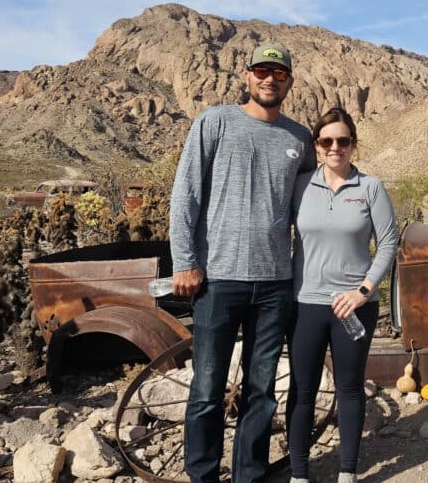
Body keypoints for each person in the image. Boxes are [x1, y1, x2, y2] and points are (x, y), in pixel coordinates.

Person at [170, 43, 316, 483]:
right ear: (246, 77)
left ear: (289, 82)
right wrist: (185, 262)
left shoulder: (300, 138)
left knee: (262, 390)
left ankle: (249, 476)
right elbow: (185, 195)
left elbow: (313, 203)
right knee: (207, 390)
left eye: (279, 73)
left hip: (275, 283)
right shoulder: (215, 122)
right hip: (217, 279)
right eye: (261, 71)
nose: (270, 78)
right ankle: (203, 475)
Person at [287, 107, 399, 483]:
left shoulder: (370, 188)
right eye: (327, 141)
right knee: (302, 390)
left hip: (354, 307)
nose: (335, 147)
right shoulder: (301, 186)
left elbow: (388, 243)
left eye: (343, 141)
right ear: (317, 146)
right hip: (306, 304)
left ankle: (347, 473)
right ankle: (299, 474)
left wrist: (363, 291)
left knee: (349, 387)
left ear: (353, 144)